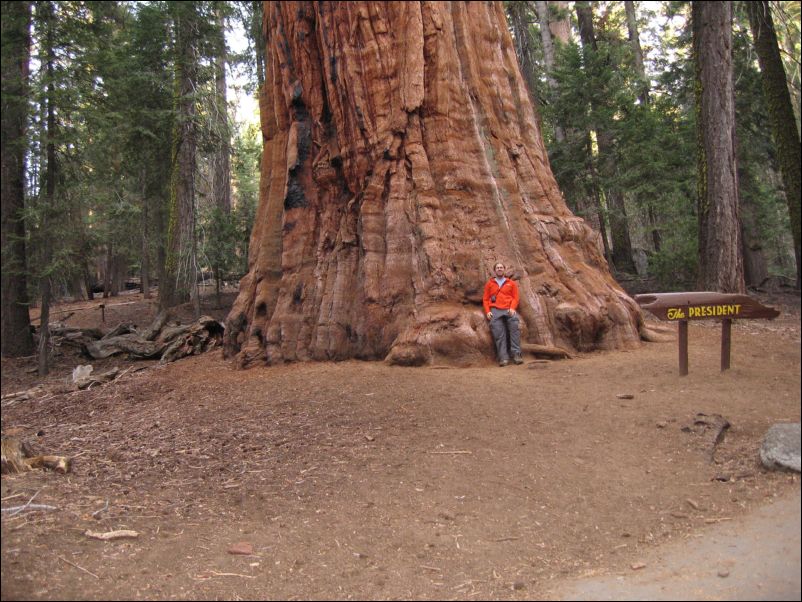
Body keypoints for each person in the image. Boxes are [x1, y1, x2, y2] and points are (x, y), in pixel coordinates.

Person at [482, 262, 523, 366]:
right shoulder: (490, 284)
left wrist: (512, 308)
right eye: (497, 268)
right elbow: (486, 299)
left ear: (504, 270)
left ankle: (516, 355)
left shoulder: (511, 283)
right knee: (498, 334)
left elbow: (516, 297)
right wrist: (488, 311)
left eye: (501, 267)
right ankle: (503, 358)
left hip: (509, 309)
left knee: (514, 330)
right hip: (495, 310)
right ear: (495, 270)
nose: (499, 269)